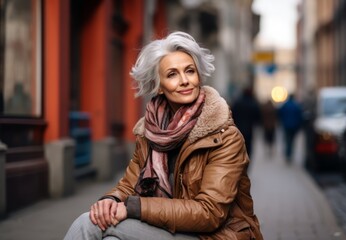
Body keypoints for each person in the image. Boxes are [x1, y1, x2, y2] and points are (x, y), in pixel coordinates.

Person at [64, 31, 263, 240]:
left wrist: (134, 208)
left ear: (199, 76)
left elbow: (209, 213)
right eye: (172, 74)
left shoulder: (224, 136)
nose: (185, 80)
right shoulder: (149, 133)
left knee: (89, 224)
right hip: (168, 227)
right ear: (158, 87)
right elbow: (128, 185)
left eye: (190, 71)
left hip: (213, 235)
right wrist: (111, 200)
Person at [231, 87, 261, 157]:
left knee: (238, 145)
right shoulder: (253, 103)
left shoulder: (238, 102)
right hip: (249, 129)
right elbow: (257, 117)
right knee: (248, 146)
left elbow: (232, 114)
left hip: (238, 128)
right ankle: (247, 160)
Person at [278, 94, 303, 163]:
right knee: (292, 140)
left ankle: (288, 154)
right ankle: (290, 154)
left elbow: (280, 113)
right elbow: (300, 116)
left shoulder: (285, 105)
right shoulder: (296, 105)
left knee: (287, 140)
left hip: (286, 126)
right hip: (294, 126)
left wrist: (282, 122)